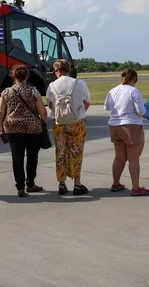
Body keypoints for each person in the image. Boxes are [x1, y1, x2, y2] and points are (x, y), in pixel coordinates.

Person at [0, 65, 49, 197]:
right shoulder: (33, 91)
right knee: (32, 157)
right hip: (32, 128)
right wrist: (42, 122)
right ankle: (30, 183)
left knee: (17, 158)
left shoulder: (6, 92)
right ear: (27, 76)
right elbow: (42, 111)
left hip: (13, 128)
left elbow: (0, 112)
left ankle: (20, 187)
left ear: (13, 76)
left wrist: (1, 128)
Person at [46, 59, 91, 196]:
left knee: (61, 152)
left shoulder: (52, 85)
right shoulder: (79, 83)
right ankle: (77, 183)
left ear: (57, 70)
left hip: (59, 123)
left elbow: (50, 105)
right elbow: (87, 102)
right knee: (76, 151)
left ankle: (62, 182)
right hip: (77, 121)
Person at [104, 68, 149, 196]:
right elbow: (141, 111)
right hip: (131, 125)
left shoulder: (113, 90)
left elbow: (106, 107)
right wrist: (146, 115)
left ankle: (116, 183)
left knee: (119, 157)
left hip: (114, 125)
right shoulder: (134, 91)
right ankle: (136, 188)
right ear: (134, 79)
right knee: (133, 158)